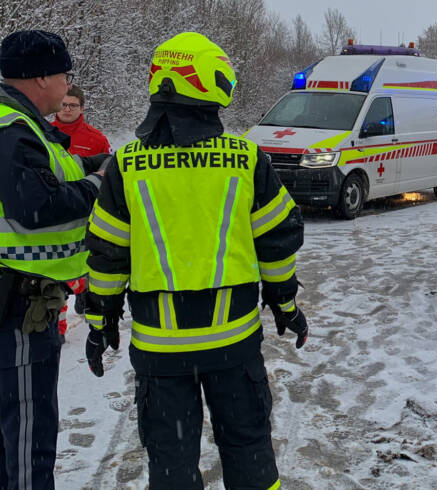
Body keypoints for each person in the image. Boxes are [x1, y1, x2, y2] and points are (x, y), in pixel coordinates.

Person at [84, 32, 307, 489]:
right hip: (234, 345)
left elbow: (107, 255)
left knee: (171, 462)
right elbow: (279, 244)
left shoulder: (127, 165)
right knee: (248, 453)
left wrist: (99, 320)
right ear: (209, 85)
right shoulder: (244, 159)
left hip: (160, 352)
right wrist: (286, 305)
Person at [0, 30, 106, 489]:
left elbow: (55, 170)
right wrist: (99, 187)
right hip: (18, 307)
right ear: (41, 77)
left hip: (22, 302)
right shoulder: (11, 129)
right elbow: (36, 204)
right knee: (27, 439)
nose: (68, 84)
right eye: (65, 74)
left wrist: (101, 165)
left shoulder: (23, 126)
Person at [51, 84, 111, 335]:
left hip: (87, 212)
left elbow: (108, 175)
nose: (66, 109)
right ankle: (58, 326)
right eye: (63, 104)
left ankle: (85, 291)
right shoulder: (44, 134)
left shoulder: (95, 138)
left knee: (86, 260)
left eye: (72, 105)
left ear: (82, 108)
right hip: (55, 211)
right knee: (55, 271)